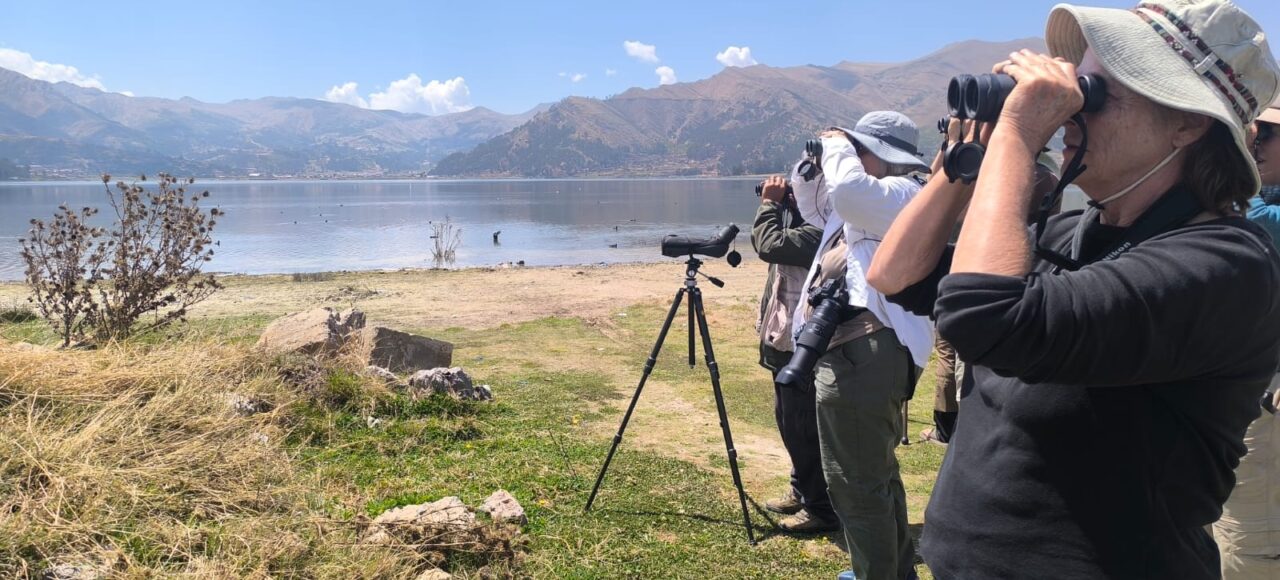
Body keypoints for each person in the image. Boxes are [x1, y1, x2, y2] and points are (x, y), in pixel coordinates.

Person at [867, 0, 1280, 577]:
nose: (1069, 113)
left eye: (1095, 93)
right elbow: (895, 276)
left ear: (1187, 124)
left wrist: (1018, 129)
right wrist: (964, 162)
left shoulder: (1225, 264)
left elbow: (981, 316)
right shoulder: (1067, 232)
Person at [789, 111, 934, 580]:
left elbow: (848, 195)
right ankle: (892, 571)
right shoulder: (875, 201)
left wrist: (837, 147)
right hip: (863, 353)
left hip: (867, 353)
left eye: (858, 148)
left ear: (881, 155)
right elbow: (816, 208)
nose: (849, 155)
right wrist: (815, 161)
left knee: (854, 483)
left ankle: (877, 574)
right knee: (875, 475)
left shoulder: (906, 192)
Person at [922, 154, 1061, 446]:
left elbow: (951, 214)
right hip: (1005, 276)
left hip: (983, 277)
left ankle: (956, 430)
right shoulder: (1046, 176)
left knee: (959, 361)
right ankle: (956, 429)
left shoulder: (1012, 176)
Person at [1215, 98, 1280, 578]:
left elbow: (1243, 211)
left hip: (1266, 399)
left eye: (1265, 135)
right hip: (1245, 390)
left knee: (1249, 535)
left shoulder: (1264, 213)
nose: (1256, 142)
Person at [752, 174, 838, 533]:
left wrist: (770, 204)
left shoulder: (819, 232)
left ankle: (820, 507)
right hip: (783, 342)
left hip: (800, 345)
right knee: (789, 423)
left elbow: (767, 244)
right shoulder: (805, 226)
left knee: (802, 427)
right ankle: (802, 489)